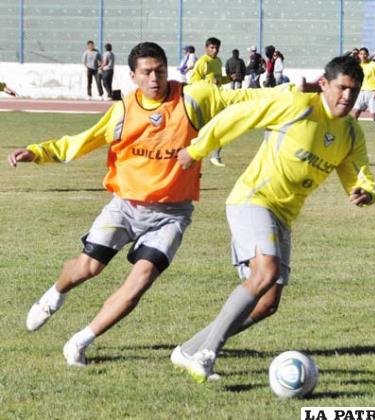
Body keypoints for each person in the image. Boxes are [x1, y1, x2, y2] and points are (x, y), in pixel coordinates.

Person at [8, 42, 283, 368]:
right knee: (88, 268)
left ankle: (80, 340)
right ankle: (55, 293)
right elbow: (82, 142)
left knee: (140, 280)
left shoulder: (194, 98)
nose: (155, 78)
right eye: (147, 72)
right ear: (133, 76)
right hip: (125, 206)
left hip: (172, 214)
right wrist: (37, 152)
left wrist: (289, 97)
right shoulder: (123, 111)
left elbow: (241, 99)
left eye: (160, 71)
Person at [171, 55, 375, 383]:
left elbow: (358, 172)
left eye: (354, 91)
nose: (347, 97)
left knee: (267, 304)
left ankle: (188, 350)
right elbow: (238, 116)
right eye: (341, 88)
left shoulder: (351, 133)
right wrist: (196, 150)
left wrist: (364, 190)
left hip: (283, 215)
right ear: (324, 84)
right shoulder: (296, 105)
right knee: (265, 272)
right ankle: (208, 354)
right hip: (253, 200)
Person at [189, 37, 230, 167]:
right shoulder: (202, 62)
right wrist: (210, 82)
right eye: (212, 48)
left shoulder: (218, 61)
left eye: (217, 48)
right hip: (205, 101)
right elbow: (193, 82)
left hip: (217, 99)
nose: (215, 50)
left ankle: (215, 156)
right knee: (201, 131)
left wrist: (229, 78)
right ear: (206, 48)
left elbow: (219, 80)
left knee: (222, 127)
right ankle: (192, 154)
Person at [352, 47, 375, 143]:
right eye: (361, 53)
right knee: (355, 115)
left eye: (365, 53)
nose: (363, 55)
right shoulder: (358, 66)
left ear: (368, 55)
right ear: (359, 55)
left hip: (372, 92)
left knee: (374, 117)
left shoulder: (373, 65)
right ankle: (350, 135)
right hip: (361, 92)